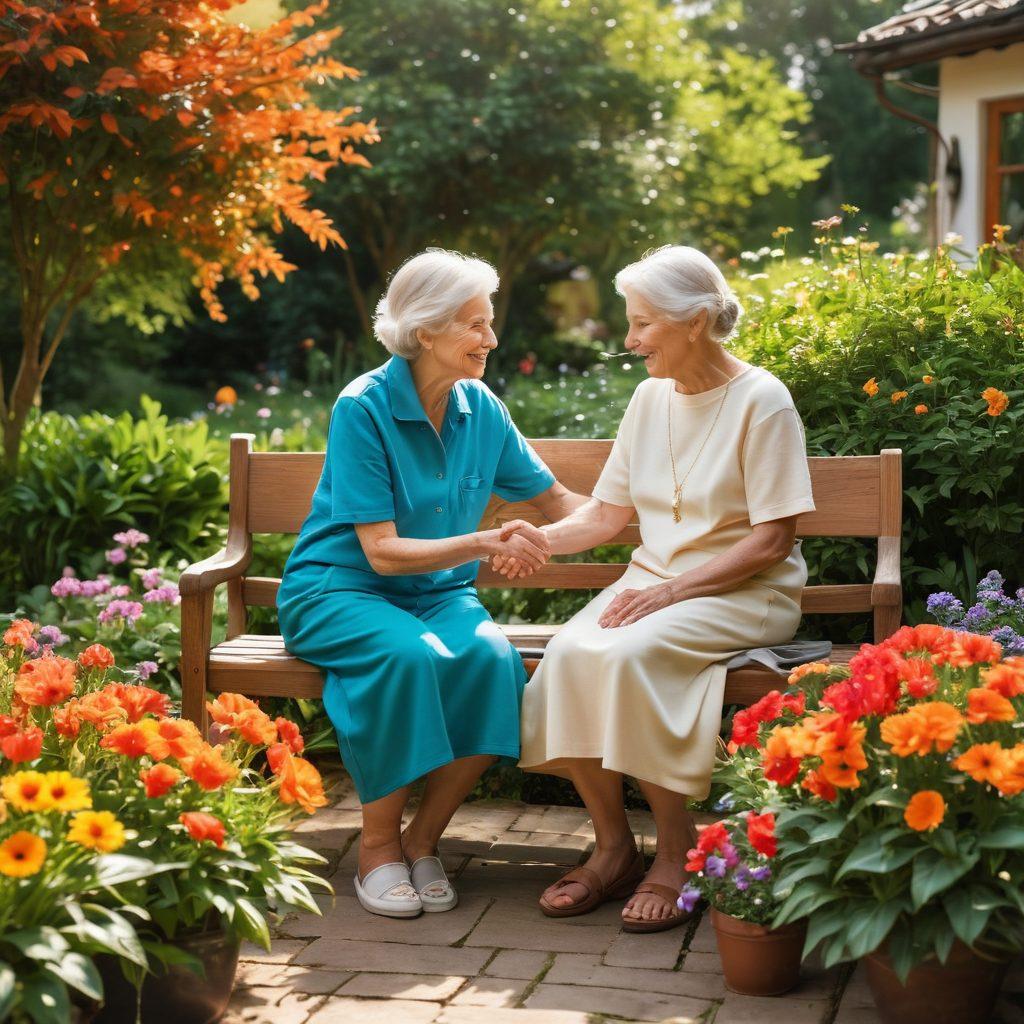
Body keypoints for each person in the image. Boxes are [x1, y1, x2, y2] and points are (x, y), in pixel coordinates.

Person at [502, 245, 816, 932]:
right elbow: (609, 515)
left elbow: (772, 540)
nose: (630, 340)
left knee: (629, 656)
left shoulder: (762, 400)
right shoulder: (649, 399)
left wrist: (672, 595)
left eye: (643, 324)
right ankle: (614, 847)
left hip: (744, 590)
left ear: (696, 320)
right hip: (652, 584)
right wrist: (537, 539)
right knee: (570, 655)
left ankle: (675, 855)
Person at [277, 250, 581, 919]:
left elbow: (559, 500)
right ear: (424, 331)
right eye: (474, 325)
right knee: (410, 658)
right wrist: (481, 542)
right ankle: (378, 849)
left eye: (489, 323)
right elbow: (381, 553)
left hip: (439, 595)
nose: (491, 341)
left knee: (493, 662)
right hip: (340, 589)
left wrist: (667, 531)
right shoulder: (363, 407)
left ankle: (422, 839)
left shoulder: (481, 407)